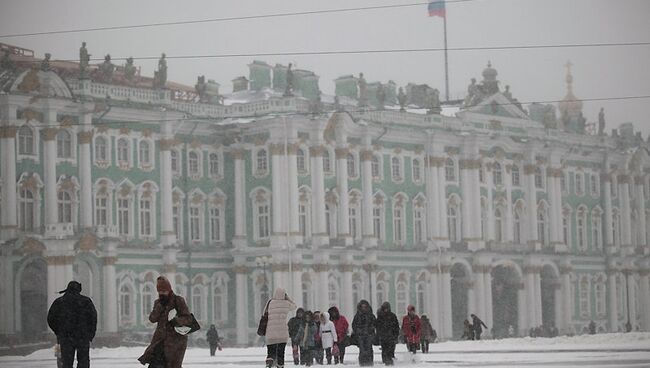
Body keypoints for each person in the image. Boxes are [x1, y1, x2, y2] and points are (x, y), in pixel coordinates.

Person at [138, 276, 193, 368]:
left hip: (175, 340)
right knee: (155, 364)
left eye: (164, 291)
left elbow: (188, 319)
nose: (162, 294)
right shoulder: (158, 302)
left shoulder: (178, 300)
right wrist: (159, 307)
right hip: (160, 339)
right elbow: (152, 319)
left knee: (172, 365)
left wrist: (175, 320)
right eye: (159, 292)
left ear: (169, 290)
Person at [47, 281, 97, 368]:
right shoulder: (86, 301)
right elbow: (93, 318)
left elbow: (51, 318)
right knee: (83, 362)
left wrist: (59, 331)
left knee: (66, 362)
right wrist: (90, 334)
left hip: (66, 337)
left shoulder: (59, 302)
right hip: (83, 337)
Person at [265, 288, 297, 368]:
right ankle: (280, 365)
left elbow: (264, 313)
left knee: (271, 350)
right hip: (282, 333)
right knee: (281, 352)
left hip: (271, 332)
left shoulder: (270, 303)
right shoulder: (286, 303)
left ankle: (270, 359)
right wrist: (288, 298)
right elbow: (294, 306)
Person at [352, 300, 376, 366]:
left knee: (369, 349)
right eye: (362, 307)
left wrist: (371, 329)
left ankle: (370, 362)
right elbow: (354, 325)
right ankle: (362, 363)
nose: (364, 308)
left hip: (369, 334)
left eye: (365, 306)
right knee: (362, 349)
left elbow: (374, 324)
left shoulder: (370, 315)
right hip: (360, 335)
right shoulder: (357, 316)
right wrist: (358, 331)